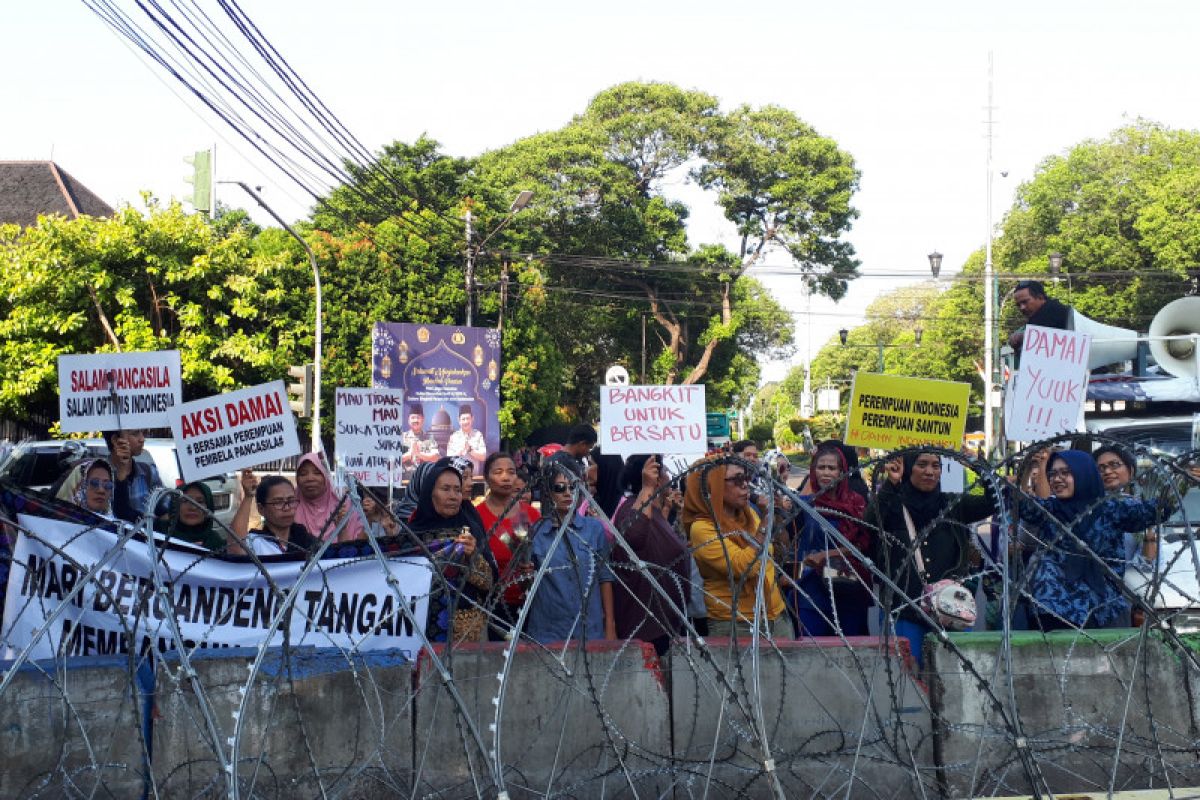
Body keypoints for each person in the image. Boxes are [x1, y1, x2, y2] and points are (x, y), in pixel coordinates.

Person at [1022, 449, 1174, 631]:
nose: (1056, 479)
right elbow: (1022, 505)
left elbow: (1157, 510)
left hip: (1104, 608)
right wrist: (1025, 471)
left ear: (1084, 474)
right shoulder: (1050, 510)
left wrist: (1180, 483)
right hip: (1055, 610)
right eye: (1052, 474)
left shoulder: (1112, 508)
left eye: (1065, 473)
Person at [869, 451, 994, 668]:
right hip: (904, 609)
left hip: (950, 610)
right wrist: (891, 484)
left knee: (954, 677)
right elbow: (871, 521)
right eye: (922, 465)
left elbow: (993, 501)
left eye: (936, 466)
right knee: (907, 677)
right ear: (908, 468)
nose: (930, 471)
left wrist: (977, 465)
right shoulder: (893, 504)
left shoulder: (953, 504)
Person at [684, 458, 789, 640]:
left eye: (747, 478)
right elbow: (743, 567)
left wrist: (774, 516)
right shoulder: (702, 528)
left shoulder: (749, 516)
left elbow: (774, 554)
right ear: (712, 486)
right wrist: (765, 522)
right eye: (737, 479)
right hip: (737, 623)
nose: (746, 485)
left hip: (774, 615)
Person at [524, 462, 616, 644]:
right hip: (548, 631)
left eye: (573, 487)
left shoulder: (593, 529)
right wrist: (526, 577)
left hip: (588, 628)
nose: (568, 493)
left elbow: (604, 578)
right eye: (560, 488)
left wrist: (610, 626)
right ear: (549, 494)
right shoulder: (537, 532)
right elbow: (527, 584)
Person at [405, 458, 496, 643]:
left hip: (466, 634)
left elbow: (489, 582)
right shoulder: (411, 535)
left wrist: (472, 556)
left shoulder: (471, 529)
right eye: (445, 489)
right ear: (430, 493)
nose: (454, 496)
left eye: (457, 489)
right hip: (419, 628)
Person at [610, 455, 691, 656]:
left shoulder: (654, 511)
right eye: (663, 471)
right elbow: (634, 536)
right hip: (647, 625)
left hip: (665, 621)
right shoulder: (632, 507)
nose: (668, 477)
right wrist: (647, 488)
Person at [790, 445, 872, 638]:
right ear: (813, 471)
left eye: (832, 468)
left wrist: (826, 555)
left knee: (850, 649)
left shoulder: (856, 503)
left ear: (842, 472)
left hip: (846, 583)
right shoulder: (806, 504)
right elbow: (789, 539)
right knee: (812, 650)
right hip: (812, 587)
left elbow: (863, 544)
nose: (826, 473)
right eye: (821, 467)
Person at [476, 451, 541, 638]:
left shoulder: (532, 515)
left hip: (529, 604)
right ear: (487, 478)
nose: (506, 477)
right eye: (498, 472)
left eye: (511, 472)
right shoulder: (476, 517)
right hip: (490, 607)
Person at [230, 471, 319, 556]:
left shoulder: (304, 538)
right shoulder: (256, 541)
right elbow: (236, 548)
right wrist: (248, 496)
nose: (287, 508)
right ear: (261, 509)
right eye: (278, 503)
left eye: (291, 501)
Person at [293, 453, 363, 542]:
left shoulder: (344, 505)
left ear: (325, 477)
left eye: (317, 473)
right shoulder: (290, 506)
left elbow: (356, 545)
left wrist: (342, 529)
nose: (310, 478)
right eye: (303, 474)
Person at [1007, 279, 1071, 356]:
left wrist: (1023, 337)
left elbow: (1052, 339)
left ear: (1040, 297)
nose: (1022, 307)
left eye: (1025, 302)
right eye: (1018, 305)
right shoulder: (1037, 315)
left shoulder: (1053, 312)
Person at [163, 481, 227, 551]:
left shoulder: (214, 541)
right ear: (174, 505)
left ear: (209, 507)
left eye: (200, 502)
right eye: (185, 500)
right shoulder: (156, 531)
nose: (193, 507)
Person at [400, 403, 440, 478]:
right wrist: (409, 454)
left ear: (423, 419)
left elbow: (436, 457)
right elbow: (393, 460)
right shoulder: (402, 437)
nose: (415, 420)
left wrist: (419, 454)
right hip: (405, 480)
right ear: (408, 420)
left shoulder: (429, 438)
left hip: (424, 479)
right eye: (413, 418)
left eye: (418, 417)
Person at [446, 405, 487, 473]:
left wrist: (470, 450)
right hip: (457, 477)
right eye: (463, 419)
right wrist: (459, 452)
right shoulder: (453, 437)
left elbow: (483, 457)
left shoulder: (478, 435)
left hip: (473, 477)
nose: (466, 422)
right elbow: (448, 459)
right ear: (459, 420)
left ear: (472, 419)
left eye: (468, 418)